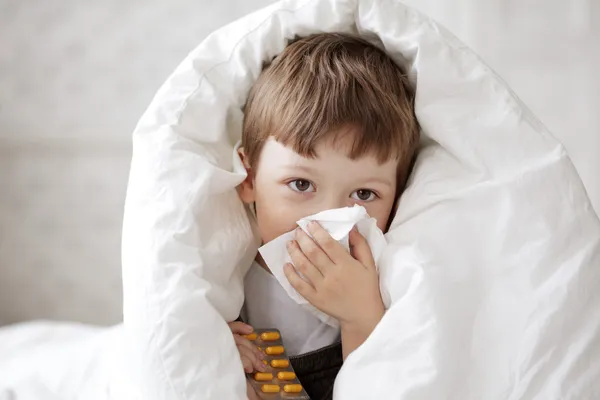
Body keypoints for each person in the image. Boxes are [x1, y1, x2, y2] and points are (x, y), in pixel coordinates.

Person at [230, 32, 420, 400]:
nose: (324, 220)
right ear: (250, 179)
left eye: (364, 195)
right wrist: (220, 348)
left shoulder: (383, 281)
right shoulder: (228, 274)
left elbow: (383, 384)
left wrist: (361, 318)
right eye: (301, 184)